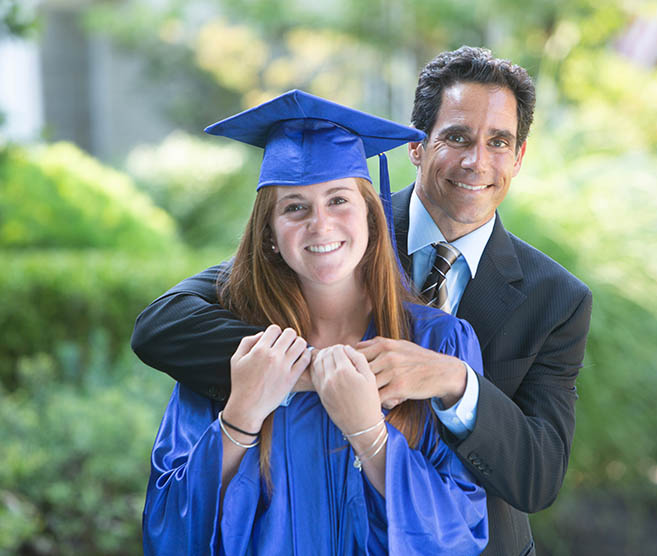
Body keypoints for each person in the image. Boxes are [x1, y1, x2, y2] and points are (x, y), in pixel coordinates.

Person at [133, 47, 592, 556]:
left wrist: (449, 383)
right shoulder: (277, 298)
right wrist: (288, 378)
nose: (475, 161)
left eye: (499, 141)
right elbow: (163, 324)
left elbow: (537, 476)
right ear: (417, 147)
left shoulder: (543, 305)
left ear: (519, 155)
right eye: (456, 136)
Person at [141, 90, 489, 555]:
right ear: (269, 233)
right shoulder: (242, 356)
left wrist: (369, 434)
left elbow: (461, 534)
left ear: (372, 214)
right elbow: (167, 532)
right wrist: (241, 416)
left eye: (338, 200)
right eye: (295, 207)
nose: (320, 225)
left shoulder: (437, 342)